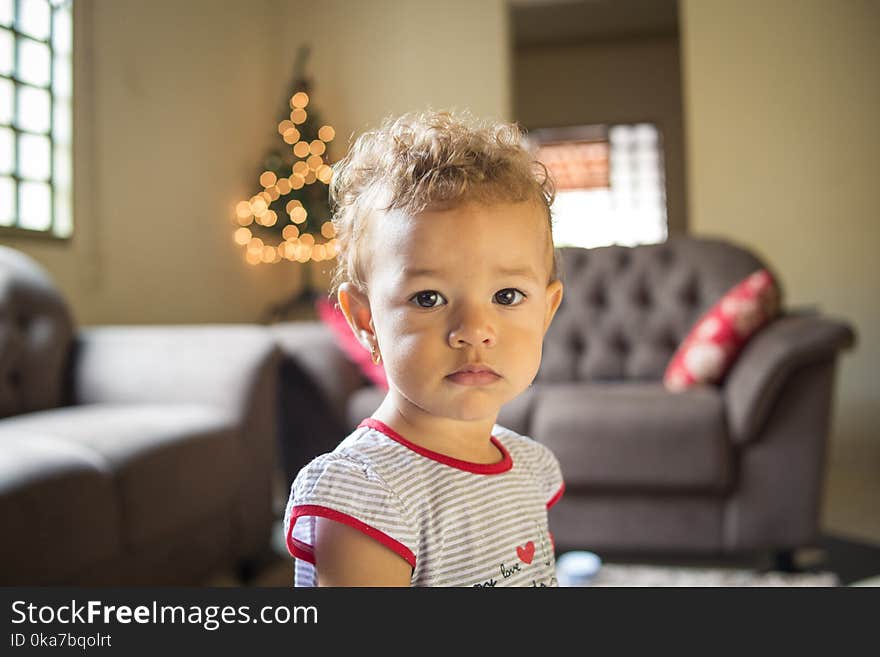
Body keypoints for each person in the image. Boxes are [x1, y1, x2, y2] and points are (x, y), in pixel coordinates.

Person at [283, 108, 566, 586]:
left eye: (507, 296)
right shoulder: (367, 495)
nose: (474, 329)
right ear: (366, 320)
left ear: (546, 311)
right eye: (428, 298)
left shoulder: (529, 469)